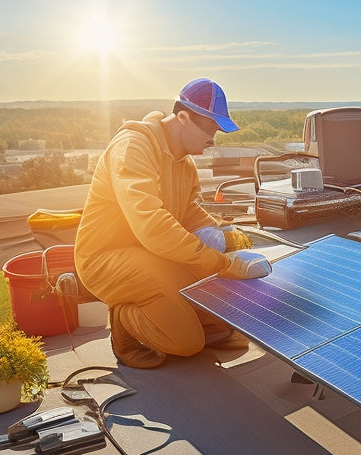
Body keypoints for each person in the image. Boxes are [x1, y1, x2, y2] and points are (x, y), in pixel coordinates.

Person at [74, 78, 271, 369]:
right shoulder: (133, 147)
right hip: (106, 258)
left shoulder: (184, 162)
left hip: (153, 253)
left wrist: (222, 233)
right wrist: (220, 264)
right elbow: (151, 224)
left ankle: (184, 318)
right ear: (183, 118)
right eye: (211, 128)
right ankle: (124, 319)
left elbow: (187, 209)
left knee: (217, 318)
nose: (214, 138)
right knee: (186, 343)